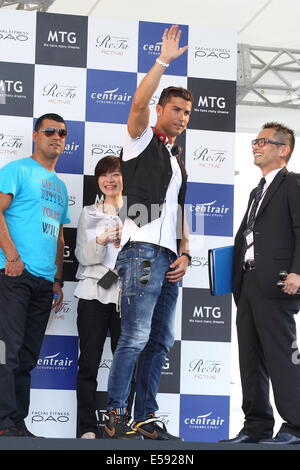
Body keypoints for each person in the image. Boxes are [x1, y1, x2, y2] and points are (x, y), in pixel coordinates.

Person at [103, 24, 192, 440]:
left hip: (169, 258)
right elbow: (138, 102)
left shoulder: (176, 160)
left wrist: (186, 252)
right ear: (161, 110)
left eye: (187, 113)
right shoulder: (141, 142)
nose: (182, 117)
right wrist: (162, 61)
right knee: (135, 337)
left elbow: (178, 211)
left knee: (160, 342)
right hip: (140, 251)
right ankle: (115, 416)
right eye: (176, 109)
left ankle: (145, 417)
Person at [225, 122, 300, 445]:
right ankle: (255, 426)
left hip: (279, 283)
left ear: (283, 150)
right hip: (250, 282)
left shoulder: (293, 183)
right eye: (255, 141)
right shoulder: (257, 189)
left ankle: (296, 425)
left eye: (264, 142)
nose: (256, 146)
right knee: (250, 357)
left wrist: (298, 272)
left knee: (282, 356)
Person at [0, 113, 70, 437]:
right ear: (35, 135)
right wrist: (12, 257)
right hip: (14, 275)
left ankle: (17, 423)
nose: (57, 137)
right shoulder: (17, 170)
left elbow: (58, 235)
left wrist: (57, 279)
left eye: (63, 133)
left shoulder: (60, 185)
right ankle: (3, 422)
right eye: (50, 131)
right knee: (8, 351)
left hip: (43, 282)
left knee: (27, 357)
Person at [75, 155, 135, 439]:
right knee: (89, 362)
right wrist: (100, 240)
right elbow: (82, 257)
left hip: (128, 298)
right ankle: (86, 427)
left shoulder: (139, 212)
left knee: (127, 364)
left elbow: (148, 260)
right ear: (98, 180)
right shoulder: (89, 213)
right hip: (93, 294)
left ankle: (121, 424)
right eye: (104, 175)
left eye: (115, 174)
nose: (110, 180)